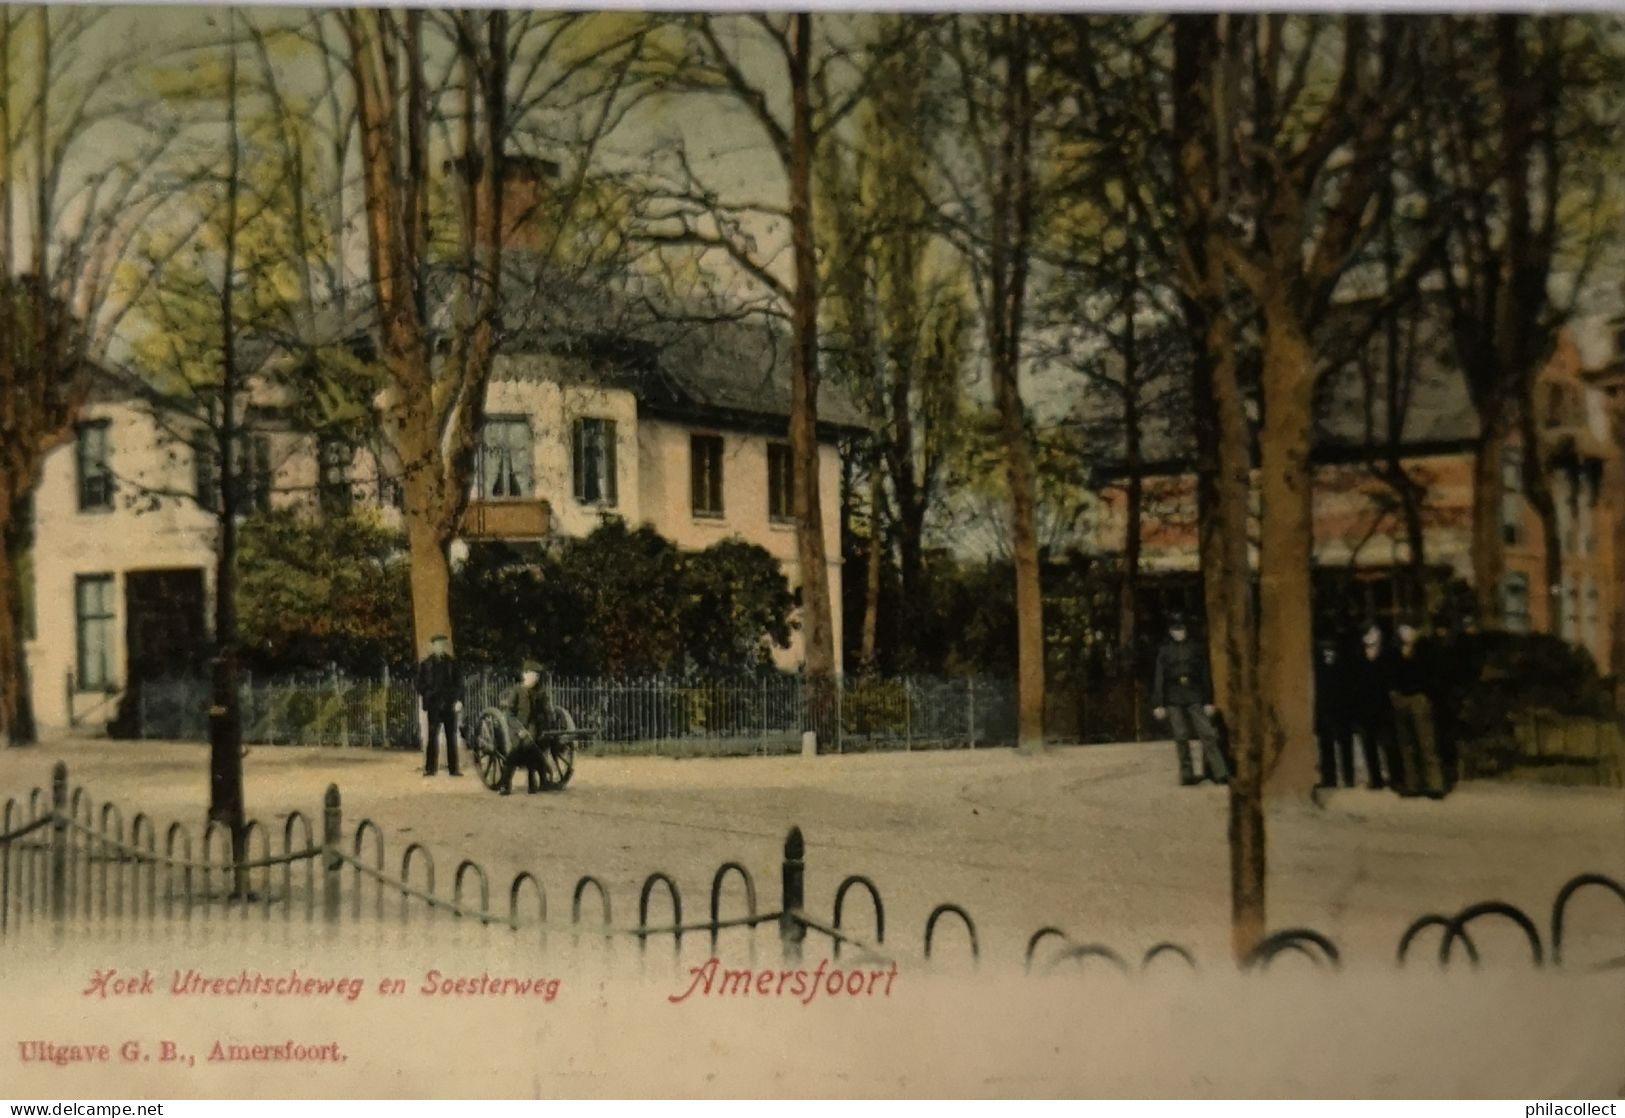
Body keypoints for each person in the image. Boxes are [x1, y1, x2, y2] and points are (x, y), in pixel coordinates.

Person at [1151, 614, 1230, 787]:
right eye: (1175, 630)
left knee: (1207, 733)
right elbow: (1159, 677)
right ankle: (1186, 775)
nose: (1179, 633)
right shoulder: (1165, 651)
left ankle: (1220, 772)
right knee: (1180, 735)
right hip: (1173, 694)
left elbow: (1204, 674)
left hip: (1194, 693)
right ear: (1170, 632)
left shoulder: (1195, 648)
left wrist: (1208, 700)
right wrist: (1158, 703)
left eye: (1181, 629)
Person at [1391, 618, 1447, 798]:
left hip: (1418, 698)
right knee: (1406, 744)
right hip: (1401, 698)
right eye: (1402, 629)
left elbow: (1431, 673)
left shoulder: (1425, 649)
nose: (1405, 633)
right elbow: (1391, 672)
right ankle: (1412, 783)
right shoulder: (1396, 650)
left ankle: (1435, 784)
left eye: (1408, 629)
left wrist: (1426, 694)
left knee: (1426, 742)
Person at [500, 661, 570, 796]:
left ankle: (538, 782)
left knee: (535, 745)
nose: (535, 678)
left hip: (534, 727)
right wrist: (519, 729)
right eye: (533, 675)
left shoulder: (540, 691)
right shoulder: (516, 691)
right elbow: (509, 715)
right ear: (525, 675)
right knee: (517, 751)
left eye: (537, 676)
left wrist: (551, 723)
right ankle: (505, 783)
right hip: (517, 729)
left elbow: (547, 710)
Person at [1349, 623, 1399, 791]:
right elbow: (1354, 680)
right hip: (1365, 706)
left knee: (1389, 744)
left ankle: (1396, 778)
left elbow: (1390, 678)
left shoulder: (1387, 654)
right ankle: (1375, 778)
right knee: (1368, 745)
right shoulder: (1358, 655)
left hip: (1383, 705)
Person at [415, 634, 462, 777]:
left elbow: (459, 684)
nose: (439, 647)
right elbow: (419, 684)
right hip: (434, 705)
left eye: (441, 644)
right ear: (432, 646)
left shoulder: (451, 663)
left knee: (451, 737)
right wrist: (428, 694)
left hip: (449, 704)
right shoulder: (425, 664)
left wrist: (459, 700)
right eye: (436, 645)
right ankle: (430, 768)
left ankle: (454, 769)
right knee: (432, 736)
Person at [1314, 637, 1356, 789]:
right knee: (1336, 744)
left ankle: (1334, 778)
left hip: (1333, 705)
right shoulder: (1342, 657)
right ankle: (1345, 777)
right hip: (1335, 705)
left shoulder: (1318, 659)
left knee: (1332, 744)